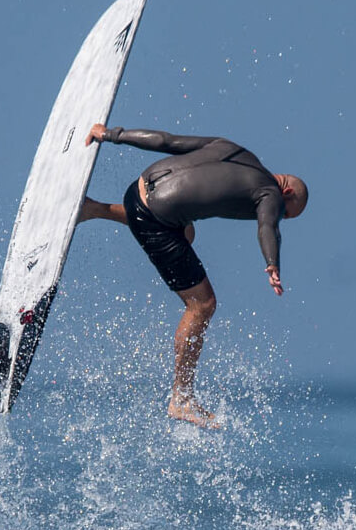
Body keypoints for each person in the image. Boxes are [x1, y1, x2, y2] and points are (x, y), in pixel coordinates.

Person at [77, 123, 308, 428]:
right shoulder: (271, 195)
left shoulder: (232, 147)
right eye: (287, 212)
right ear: (287, 192)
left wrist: (112, 135)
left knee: (187, 232)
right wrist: (272, 263)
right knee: (203, 304)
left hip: (138, 190)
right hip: (153, 220)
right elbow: (269, 228)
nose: (280, 214)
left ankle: (93, 209)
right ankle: (182, 398)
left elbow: (166, 141)